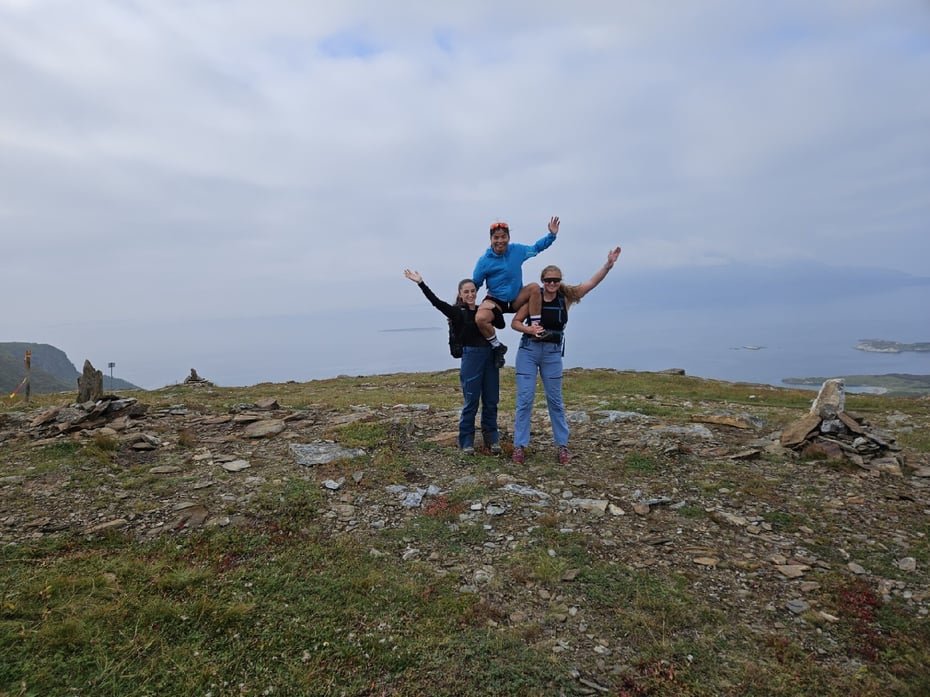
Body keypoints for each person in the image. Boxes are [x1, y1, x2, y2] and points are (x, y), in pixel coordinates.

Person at [510, 246, 622, 465]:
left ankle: (562, 446)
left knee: (556, 401)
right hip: (528, 352)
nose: (552, 284)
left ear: (560, 281)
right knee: (524, 400)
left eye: (556, 280)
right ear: (542, 281)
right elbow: (515, 322)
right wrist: (530, 329)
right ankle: (519, 446)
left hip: (552, 354)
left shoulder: (566, 297)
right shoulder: (535, 297)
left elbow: (590, 284)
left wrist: (608, 265)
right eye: (548, 280)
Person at [404, 269, 502, 455]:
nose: (470, 294)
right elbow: (436, 303)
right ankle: (466, 441)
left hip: (489, 357)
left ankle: (492, 439)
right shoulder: (457, 312)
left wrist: (494, 305)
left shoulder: (484, 310)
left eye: (473, 291)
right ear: (460, 294)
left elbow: (501, 323)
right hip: (471, 357)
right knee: (471, 401)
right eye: (466, 291)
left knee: (491, 400)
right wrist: (421, 283)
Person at [472, 217, 560, 368]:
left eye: (503, 237)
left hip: (515, 299)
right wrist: (466, 305)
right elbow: (475, 284)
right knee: (480, 318)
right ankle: (497, 346)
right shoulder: (484, 261)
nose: (500, 241)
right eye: (496, 238)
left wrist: (551, 235)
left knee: (533, 287)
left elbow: (536, 248)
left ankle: (536, 329)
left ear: (509, 237)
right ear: (491, 239)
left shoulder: (517, 250)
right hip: (495, 300)